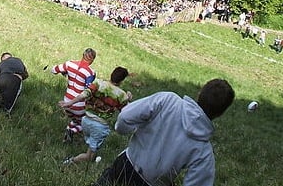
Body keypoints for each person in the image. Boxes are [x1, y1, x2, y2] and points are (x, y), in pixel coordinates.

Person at [91, 78, 235, 186]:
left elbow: (125, 116)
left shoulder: (168, 100)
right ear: (220, 113)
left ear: (199, 93)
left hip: (125, 165)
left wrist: (122, 130)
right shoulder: (204, 150)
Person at [59, 66, 132, 165]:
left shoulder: (97, 83)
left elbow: (84, 95)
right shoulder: (121, 95)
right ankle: (69, 162)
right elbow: (128, 111)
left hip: (85, 121)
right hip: (99, 127)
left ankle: (91, 157)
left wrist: (69, 103)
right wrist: (128, 99)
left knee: (92, 147)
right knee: (89, 156)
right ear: (122, 80)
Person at [51, 48, 97, 142]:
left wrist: (65, 72)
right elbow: (88, 90)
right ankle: (72, 131)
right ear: (92, 60)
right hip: (79, 104)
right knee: (84, 124)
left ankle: (67, 137)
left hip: (66, 101)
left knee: (75, 121)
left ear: (82, 55)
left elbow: (54, 70)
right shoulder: (91, 72)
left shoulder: (69, 64)